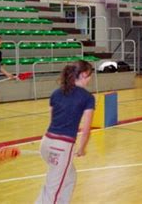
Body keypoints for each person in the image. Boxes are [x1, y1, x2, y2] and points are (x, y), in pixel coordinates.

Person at [36, 61, 95, 203]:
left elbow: (52, 120)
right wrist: (81, 148)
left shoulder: (56, 93)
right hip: (62, 148)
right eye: (90, 75)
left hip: (46, 143)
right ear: (83, 75)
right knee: (52, 191)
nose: (91, 79)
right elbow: (86, 130)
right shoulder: (87, 98)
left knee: (69, 177)